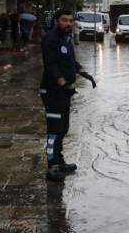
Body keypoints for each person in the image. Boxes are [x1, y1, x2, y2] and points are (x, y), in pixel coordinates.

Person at [40, 9, 97, 182]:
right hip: (52, 92)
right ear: (56, 21)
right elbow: (51, 65)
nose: (68, 23)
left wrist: (84, 73)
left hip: (64, 92)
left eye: (71, 21)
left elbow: (70, 61)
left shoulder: (66, 39)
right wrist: (63, 84)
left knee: (63, 128)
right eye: (64, 20)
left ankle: (59, 160)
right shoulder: (50, 39)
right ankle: (52, 166)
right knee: (54, 130)